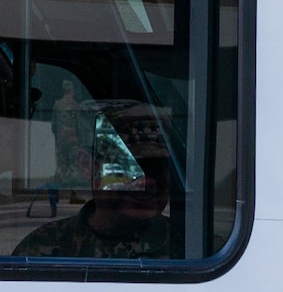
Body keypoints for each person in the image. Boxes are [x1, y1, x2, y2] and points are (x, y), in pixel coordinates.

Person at [12, 101, 175, 260]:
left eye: (158, 166)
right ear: (86, 165)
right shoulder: (41, 250)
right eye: (127, 166)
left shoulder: (186, 249)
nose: (145, 182)